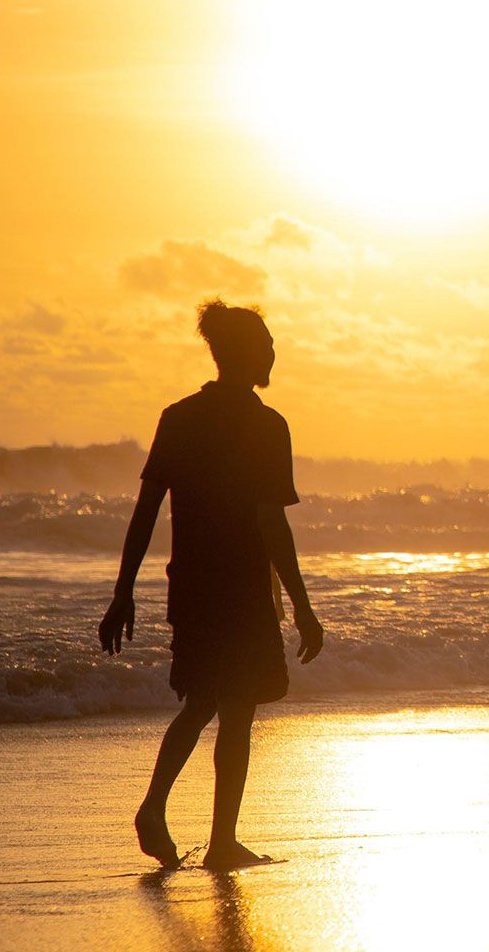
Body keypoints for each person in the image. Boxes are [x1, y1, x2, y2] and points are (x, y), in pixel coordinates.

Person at [99, 302, 324, 871]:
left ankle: (155, 807)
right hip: (244, 588)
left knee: (203, 700)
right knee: (238, 707)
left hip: (193, 587)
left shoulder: (180, 416)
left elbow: (145, 512)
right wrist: (301, 606)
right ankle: (221, 841)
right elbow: (272, 523)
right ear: (245, 352)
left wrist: (123, 592)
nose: (274, 352)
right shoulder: (267, 425)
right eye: (267, 343)